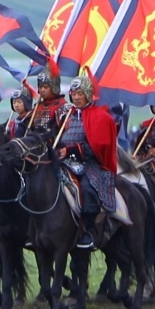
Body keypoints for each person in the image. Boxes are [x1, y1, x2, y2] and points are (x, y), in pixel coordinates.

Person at [57, 74, 117, 250]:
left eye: (80, 93)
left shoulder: (100, 117)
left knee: (87, 188)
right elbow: (60, 139)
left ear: (89, 94)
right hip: (65, 162)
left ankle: (88, 231)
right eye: (73, 93)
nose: (75, 97)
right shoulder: (67, 116)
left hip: (90, 163)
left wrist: (69, 150)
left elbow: (96, 146)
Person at [28, 66, 69, 137]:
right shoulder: (36, 107)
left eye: (45, 87)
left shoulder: (62, 107)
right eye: (40, 87)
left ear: (54, 86)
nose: (42, 90)